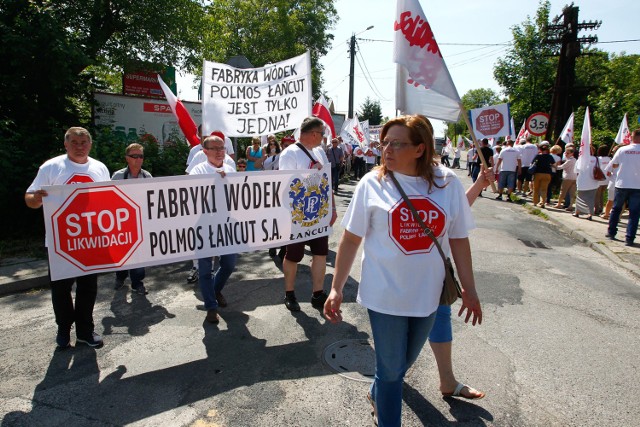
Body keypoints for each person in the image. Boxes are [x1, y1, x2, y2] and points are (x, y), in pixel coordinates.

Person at [324, 115, 481, 426]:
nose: (387, 150)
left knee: (399, 365)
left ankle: (376, 391)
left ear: (420, 149)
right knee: (393, 371)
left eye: (397, 143)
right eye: (385, 143)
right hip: (384, 295)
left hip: (429, 296)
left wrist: (470, 289)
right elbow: (351, 238)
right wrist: (336, 286)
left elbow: (459, 239)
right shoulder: (372, 183)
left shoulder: (447, 183)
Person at [25, 127, 110, 348]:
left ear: (90, 144)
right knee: (61, 288)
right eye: (74, 142)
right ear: (66, 144)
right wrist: (36, 198)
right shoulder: (51, 167)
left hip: (90, 240)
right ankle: (63, 329)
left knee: (88, 287)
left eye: (84, 142)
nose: (79, 146)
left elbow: (109, 201)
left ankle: (85, 330)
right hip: (59, 242)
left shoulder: (100, 168)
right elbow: (30, 198)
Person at [278, 117, 338, 312]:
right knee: (293, 256)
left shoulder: (320, 152)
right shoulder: (290, 154)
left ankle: (317, 293)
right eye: (322, 134)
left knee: (320, 253)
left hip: (318, 213)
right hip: (297, 216)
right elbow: (285, 186)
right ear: (314, 134)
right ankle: (289, 293)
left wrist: (333, 208)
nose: (323, 138)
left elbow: (327, 183)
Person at [189, 135, 238, 323]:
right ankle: (211, 306)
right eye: (215, 148)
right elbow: (192, 195)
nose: (219, 151)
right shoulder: (198, 170)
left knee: (229, 264)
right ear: (205, 151)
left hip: (227, 224)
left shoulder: (230, 168)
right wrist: (215, 181)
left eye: (222, 148)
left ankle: (216, 289)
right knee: (204, 268)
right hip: (204, 224)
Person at [112, 143, 152, 295]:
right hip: (121, 222)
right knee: (122, 253)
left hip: (140, 222)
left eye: (140, 156)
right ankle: (120, 277)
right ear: (127, 158)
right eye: (134, 156)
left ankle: (137, 283)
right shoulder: (118, 176)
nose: (138, 159)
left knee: (139, 253)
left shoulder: (147, 176)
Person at [606, 129, 640, 246]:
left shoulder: (623, 149)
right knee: (634, 213)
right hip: (638, 185)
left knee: (616, 209)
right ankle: (629, 238)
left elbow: (614, 164)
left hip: (622, 183)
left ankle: (611, 233)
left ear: (632, 137)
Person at [573, 145, 599, 220]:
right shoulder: (596, 159)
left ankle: (577, 212)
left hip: (582, 181)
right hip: (594, 181)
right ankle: (590, 213)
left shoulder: (581, 159)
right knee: (591, 198)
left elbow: (576, 171)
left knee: (580, 197)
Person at [531, 142, 556, 208]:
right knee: (544, 189)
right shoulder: (550, 156)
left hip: (538, 173)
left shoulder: (538, 156)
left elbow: (532, 163)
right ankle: (542, 202)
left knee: (536, 188)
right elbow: (554, 165)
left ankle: (535, 202)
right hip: (547, 174)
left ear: (540, 150)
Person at [594, 145, 611, 215]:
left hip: (599, 178)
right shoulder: (610, 159)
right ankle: (601, 208)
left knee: (597, 195)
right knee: (601, 195)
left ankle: (597, 209)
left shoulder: (597, 159)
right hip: (607, 179)